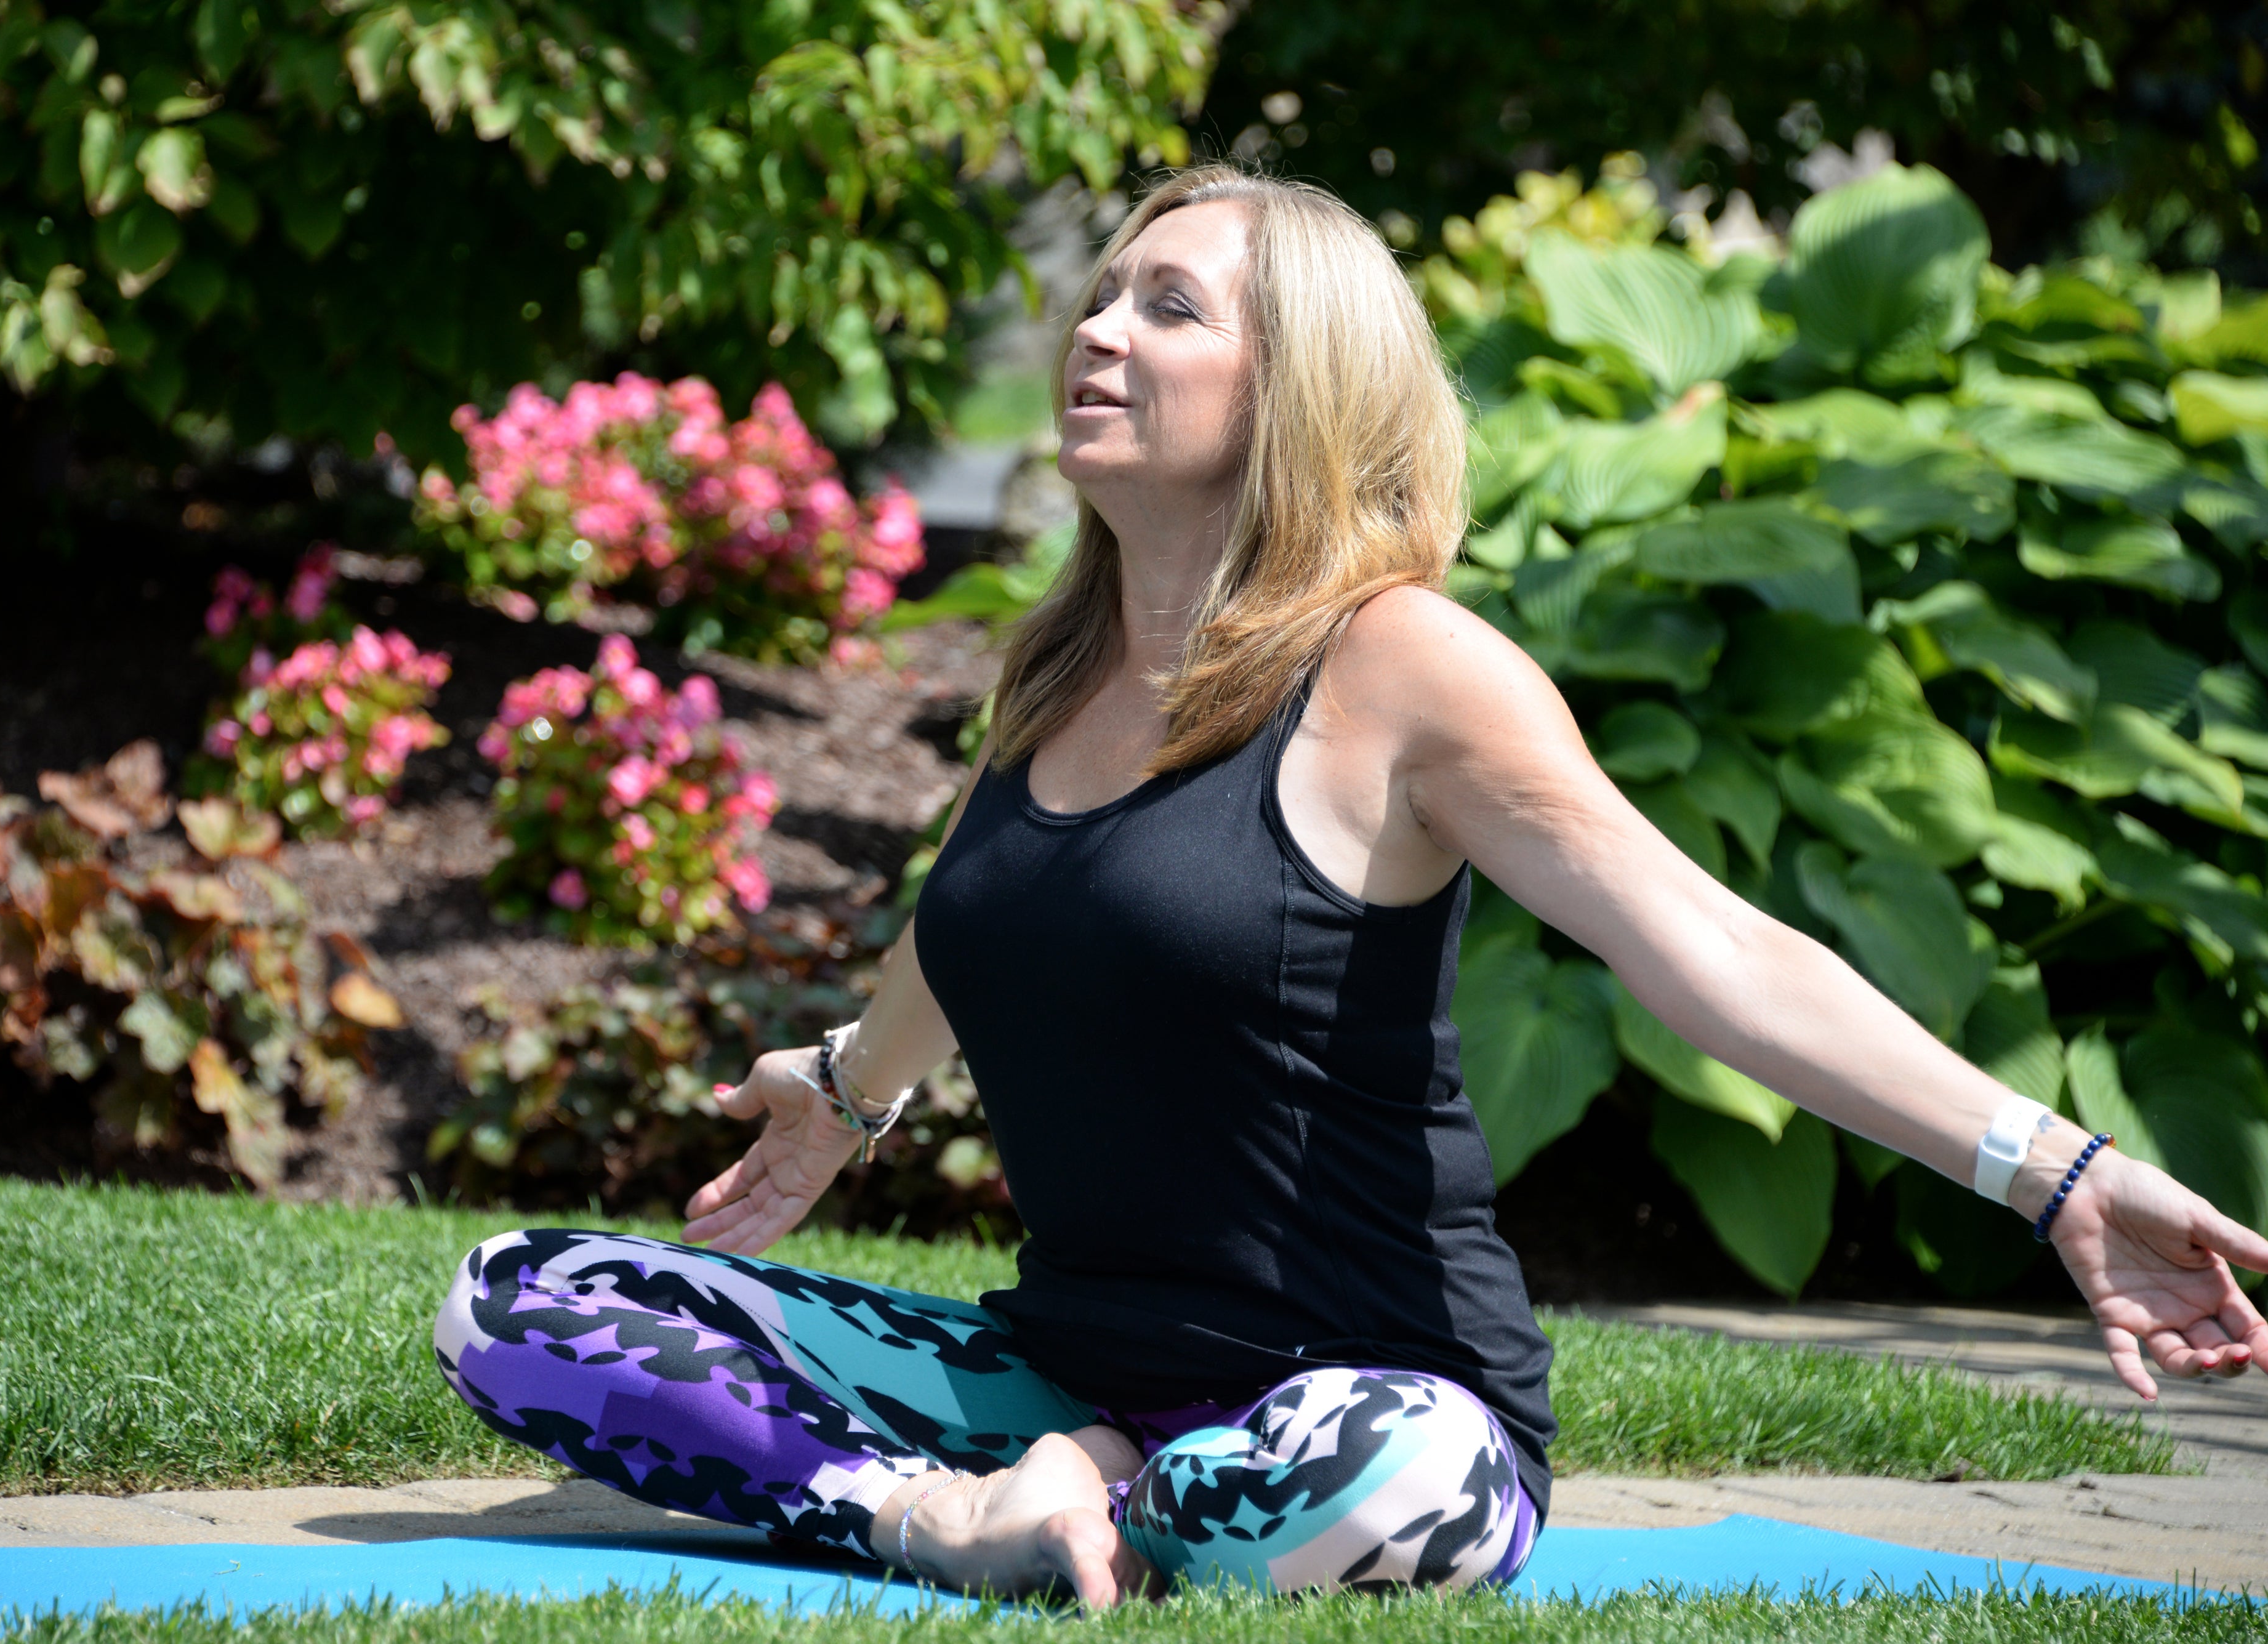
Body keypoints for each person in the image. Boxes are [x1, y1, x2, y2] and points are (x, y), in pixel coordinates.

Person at [434, 164, 2268, 1607]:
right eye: (1098, 294)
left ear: (1295, 382)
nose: (1097, 332)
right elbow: (982, 925)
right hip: (1052, 1366)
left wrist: (2062, 1174)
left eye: (1166, 305)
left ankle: (1081, 1512)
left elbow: (1711, 952)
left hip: (1362, 1392)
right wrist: (842, 1100)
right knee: (523, 1304)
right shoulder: (1060, 669)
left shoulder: (1402, 669)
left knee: (1395, 1488)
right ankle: (964, 1513)